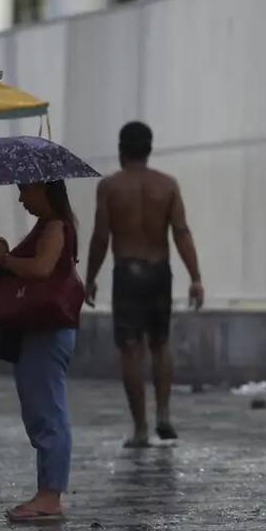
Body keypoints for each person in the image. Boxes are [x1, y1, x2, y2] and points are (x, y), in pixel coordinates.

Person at [85, 121, 205, 448]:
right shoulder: (167, 185)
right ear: (149, 149)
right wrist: (195, 278)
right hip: (159, 271)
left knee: (130, 350)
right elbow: (181, 232)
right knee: (160, 343)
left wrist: (90, 278)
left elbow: (100, 237)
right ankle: (163, 413)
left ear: (121, 150)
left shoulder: (109, 187)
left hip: (127, 273)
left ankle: (140, 428)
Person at [0, 180, 82, 522]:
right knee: (40, 409)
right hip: (38, 331)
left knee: (47, 411)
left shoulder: (55, 227)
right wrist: (5, 255)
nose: (21, 197)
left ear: (44, 188)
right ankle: (46, 492)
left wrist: (5, 258)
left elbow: (41, 268)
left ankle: (50, 496)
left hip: (46, 331)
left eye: (26, 189)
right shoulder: (47, 226)